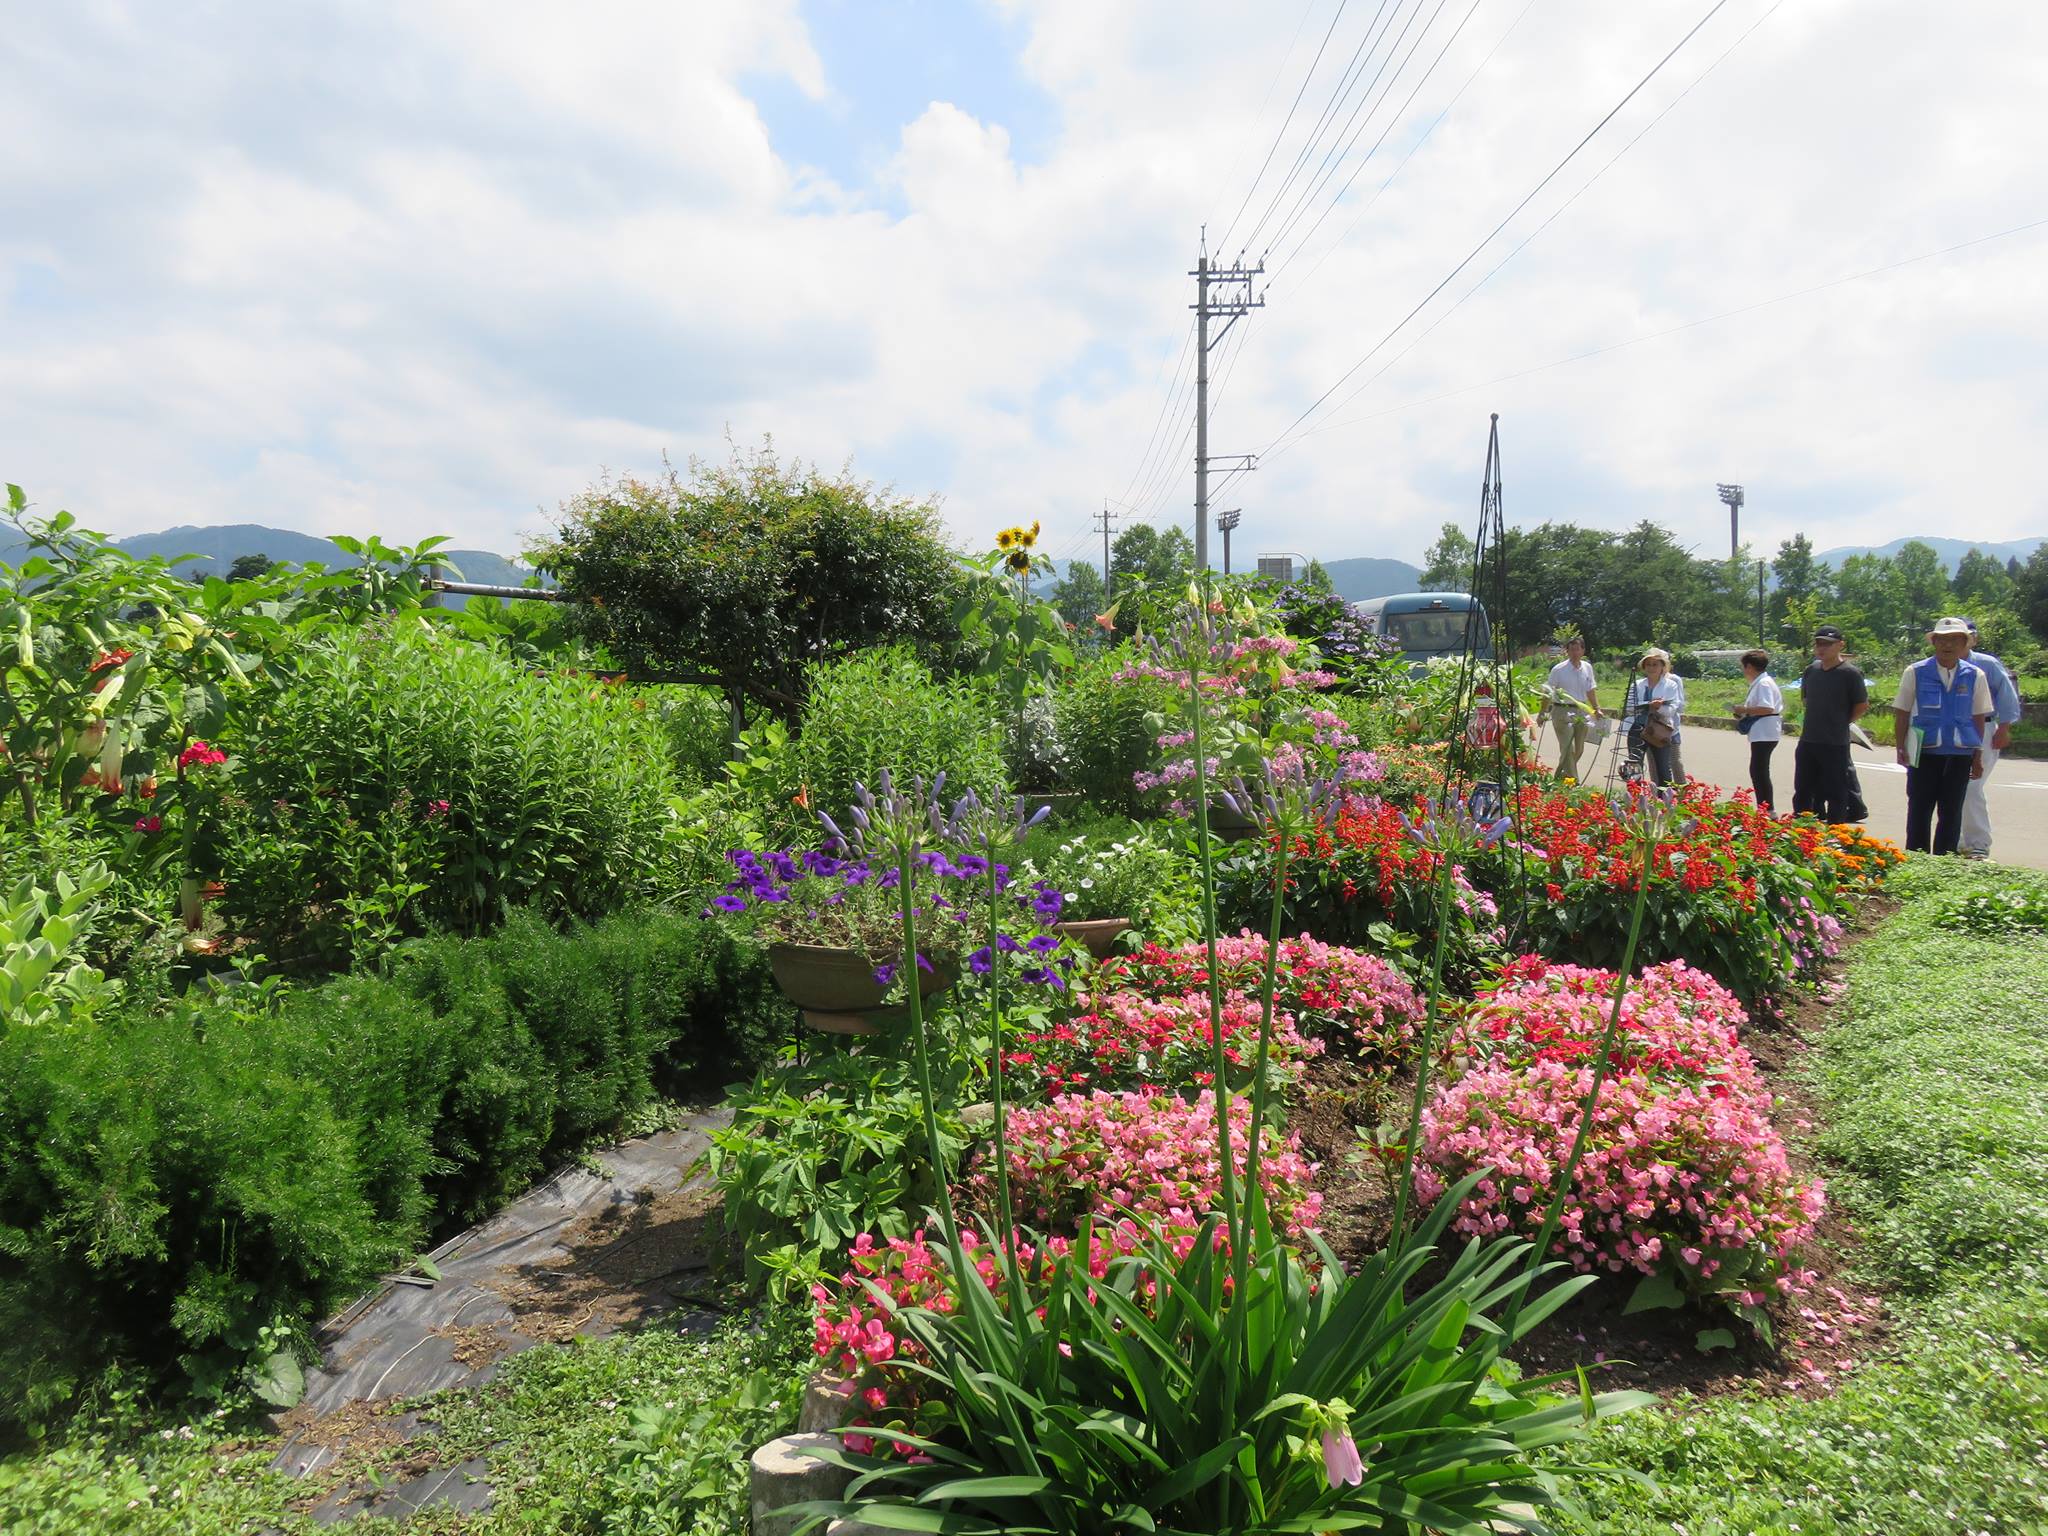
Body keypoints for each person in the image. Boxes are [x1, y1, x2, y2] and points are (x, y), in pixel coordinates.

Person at [1892, 617, 1992, 855]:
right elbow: (1902, 711)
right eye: (1943, 640)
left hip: (1960, 753)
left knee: (1952, 811)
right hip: (1924, 751)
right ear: (1934, 642)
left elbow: (1978, 716)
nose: (1948, 645)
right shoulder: (1915, 672)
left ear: (1965, 644)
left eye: (1955, 640)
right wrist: (1900, 747)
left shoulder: (1975, 675)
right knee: (1919, 809)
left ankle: (1944, 860)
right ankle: (1917, 859)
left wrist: (1978, 755)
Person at [1958, 617, 2020, 859]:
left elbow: (2007, 697)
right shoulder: (1939, 665)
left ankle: (1978, 842)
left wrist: (2003, 728)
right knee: (1953, 786)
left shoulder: (1987, 664)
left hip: (1983, 728)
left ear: (1973, 639)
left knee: (1972, 786)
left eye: (1967, 636)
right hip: (1951, 731)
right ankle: (1958, 841)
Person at [1792, 624, 1868, 821]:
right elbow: (1806, 700)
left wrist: (1841, 721)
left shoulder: (1850, 673)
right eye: (1818, 644)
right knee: (1803, 787)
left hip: (1835, 742)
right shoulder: (1811, 670)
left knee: (1836, 789)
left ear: (1840, 645)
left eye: (1827, 644)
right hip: (1809, 739)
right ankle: (1802, 825)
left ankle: (1835, 827)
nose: (1821, 648)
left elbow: (1861, 705)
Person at [1625, 648, 1686, 786]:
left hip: (1659, 730)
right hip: (1638, 728)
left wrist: (1658, 707)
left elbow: (1672, 709)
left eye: (1655, 664)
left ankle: (1665, 796)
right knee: (1634, 766)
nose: (1651, 668)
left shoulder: (1670, 685)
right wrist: (1648, 705)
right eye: (1648, 665)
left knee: (1663, 768)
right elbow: (1629, 707)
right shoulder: (1637, 684)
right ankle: (1635, 795)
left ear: (1662, 667)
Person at [1732, 648, 1783, 811]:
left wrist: (1744, 709)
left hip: (1765, 732)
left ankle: (1767, 809)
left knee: (1759, 771)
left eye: (1744, 666)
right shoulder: (1761, 682)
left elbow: (1767, 708)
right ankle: (1765, 808)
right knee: (1758, 770)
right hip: (1763, 731)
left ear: (1749, 666)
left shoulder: (1763, 683)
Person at [1545, 635, 1601, 781]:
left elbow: (1590, 690)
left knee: (1579, 749)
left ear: (1583, 651)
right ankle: (1573, 781)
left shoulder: (1587, 667)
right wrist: (1542, 713)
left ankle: (1561, 777)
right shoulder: (1558, 669)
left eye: (1578, 649)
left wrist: (1596, 708)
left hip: (1582, 710)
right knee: (1568, 748)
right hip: (1562, 710)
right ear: (1567, 651)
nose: (1575, 653)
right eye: (1571, 650)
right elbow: (1547, 691)